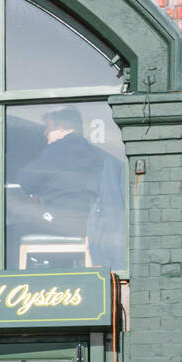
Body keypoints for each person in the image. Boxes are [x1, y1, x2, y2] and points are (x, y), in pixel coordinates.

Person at [18, 107, 125, 268]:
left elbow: (25, 181)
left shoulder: (58, 149)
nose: (45, 133)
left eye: (48, 127)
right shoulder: (95, 153)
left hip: (64, 221)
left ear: (62, 126)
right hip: (90, 223)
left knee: (11, 226)